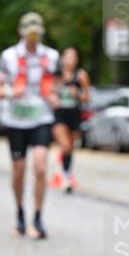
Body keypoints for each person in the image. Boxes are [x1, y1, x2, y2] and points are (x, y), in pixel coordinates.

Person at [0, 12, 59, 239]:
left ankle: (38, 217)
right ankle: (20, 212)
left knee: (40, 167)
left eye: (37, 31)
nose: (33, 35)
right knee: (19, 170)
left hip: (41, 117)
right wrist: (11, 91)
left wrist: (54, 96)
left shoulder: (51, 56)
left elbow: (56, 84)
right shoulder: (8, 56)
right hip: (16, 120)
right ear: (21, 31)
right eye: (29, 30)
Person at [50, 47, 91, 193]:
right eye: (68, 57)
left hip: (74, 113)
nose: (70, 60)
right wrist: (53, 97)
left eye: (74, 57)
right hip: (59, 113)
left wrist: (78, 94)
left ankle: (66, 173)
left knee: (70, 148)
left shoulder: (81, 75)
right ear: (63, 58)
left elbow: (87, 97)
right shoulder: (56, 74)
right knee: (65, 145)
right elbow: (48, 92)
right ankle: (64, 175)